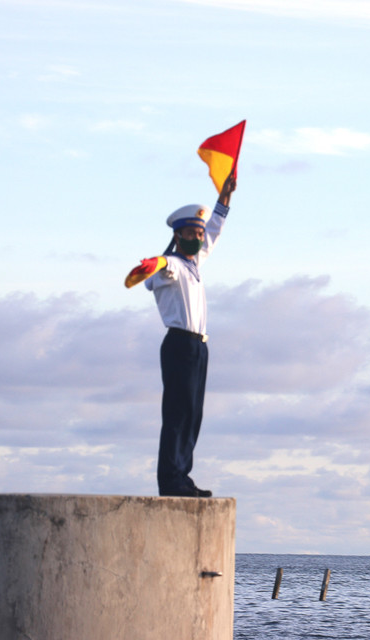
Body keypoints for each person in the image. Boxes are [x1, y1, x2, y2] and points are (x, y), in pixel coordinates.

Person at [144, 174, 236, 497]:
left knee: (193, 413)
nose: (198, 237)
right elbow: (159, 267)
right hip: (179, 343)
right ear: (178, 235)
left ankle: (182, 474)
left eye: (199, 232)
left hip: (199, 346)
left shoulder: (195, 263)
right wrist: (150, 264)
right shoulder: (171, 265)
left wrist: (223, 199)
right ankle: (170, 479)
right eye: (192, 232)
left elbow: (214, 231)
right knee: (178, 413)